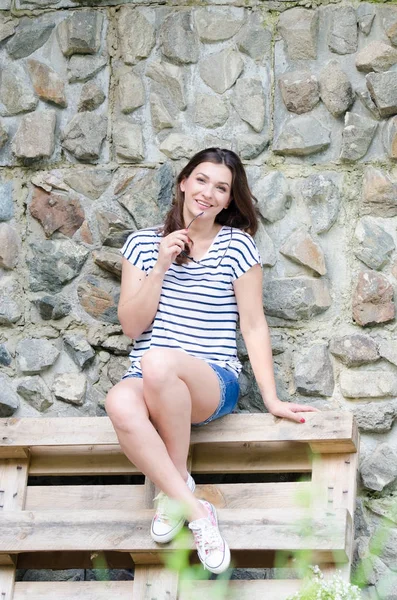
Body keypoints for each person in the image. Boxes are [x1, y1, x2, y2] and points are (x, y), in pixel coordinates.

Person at [105, 147, 318, 575]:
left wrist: (273, 400)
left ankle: (173, 488)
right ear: (183, 182)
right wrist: (161, 263)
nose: (208, 193)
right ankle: (192, 506)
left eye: (221, 188)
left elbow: (254, 326)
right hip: (148, 376)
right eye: (201, 180)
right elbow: (131, 325)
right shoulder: (143, 244)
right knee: (119, 402)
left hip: (211, 381)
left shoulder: (237, 246)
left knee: (159, 362)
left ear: (228, 200)